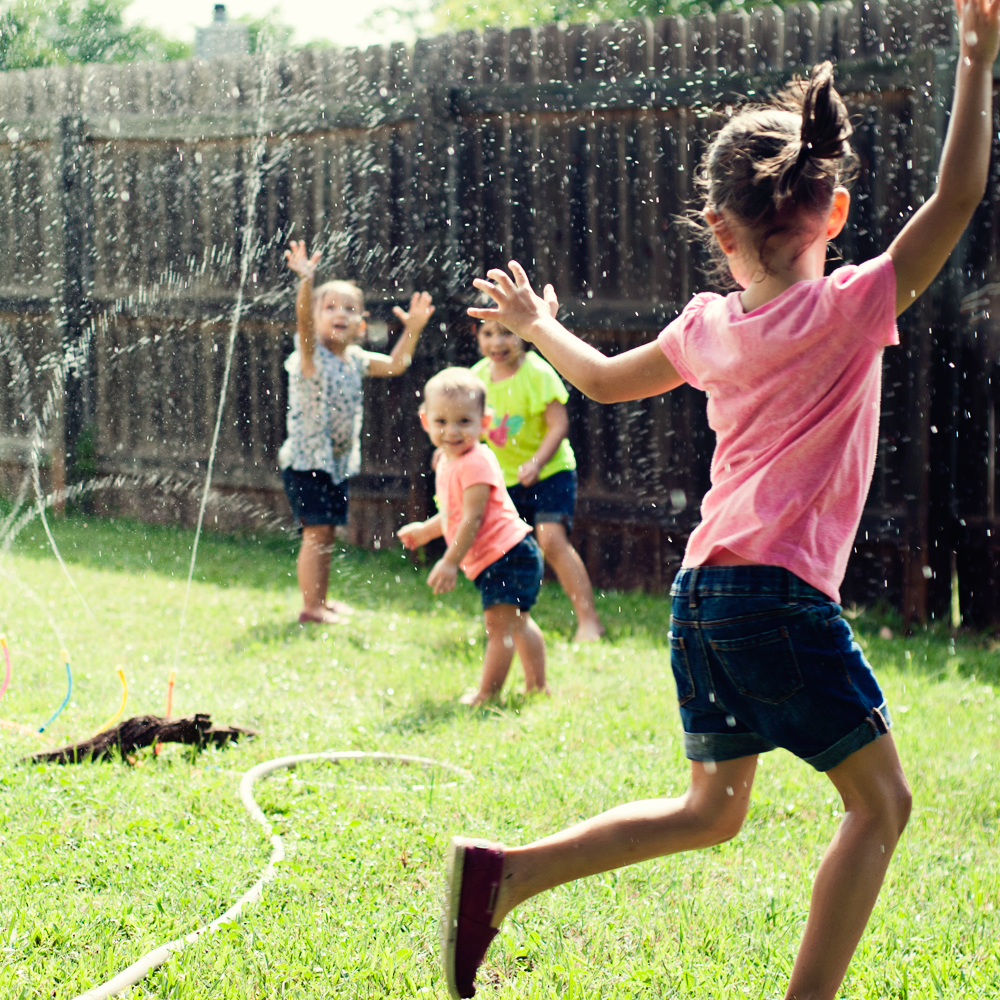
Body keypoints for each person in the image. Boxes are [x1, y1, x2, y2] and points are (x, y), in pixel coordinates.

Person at [440, 0, 1000, 994]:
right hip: (777, 596)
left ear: (716, 225)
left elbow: (604, 378)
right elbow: (957, 199)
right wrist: (974, 61)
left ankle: (504, 876)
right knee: (880, 807)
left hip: (702, 595)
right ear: (832, 212)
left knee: (712, 809)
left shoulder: (706, 326)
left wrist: (534, 328)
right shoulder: (850, 304)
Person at [279, 240, 434, 625]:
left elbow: (398, 364)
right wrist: (306, 283)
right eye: (329, 307)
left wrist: (412, 329)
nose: (340, 314)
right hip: (306, 462)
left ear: (362, 325)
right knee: (316, 534)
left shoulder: (357, 360)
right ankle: (310, 608)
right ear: (314, 320)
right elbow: (301, 320)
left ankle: (321, 600)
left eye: (350, 309)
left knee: (327, 534)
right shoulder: (310, 357)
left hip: (333, 464)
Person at [398, 368, 547, 707]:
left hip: (508, 554)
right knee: (518, 622)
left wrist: (450, 561)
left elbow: (473, 518)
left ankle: (487, 695)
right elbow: (454, 514)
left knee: (499, 628)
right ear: (426, 421)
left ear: (485, 421)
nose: (452, 431)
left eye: (464, 421)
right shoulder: (449, 461)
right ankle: (538, 687)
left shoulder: (476, 462)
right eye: (442, 421)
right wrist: (426, 530)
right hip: (507, 553)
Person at [471, 311, 605, 642]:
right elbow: (467, 424)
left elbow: (559, 425)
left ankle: (589, 621)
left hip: (550, 471)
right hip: (506, 479)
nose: (497, 342)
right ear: (477, 336)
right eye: (488, 334)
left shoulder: (538, 373)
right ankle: (506, 620)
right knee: (503, 549)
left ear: (522, 334)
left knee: (551, 540)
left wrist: (535, 461)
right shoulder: (476, 379)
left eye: (506, 332)